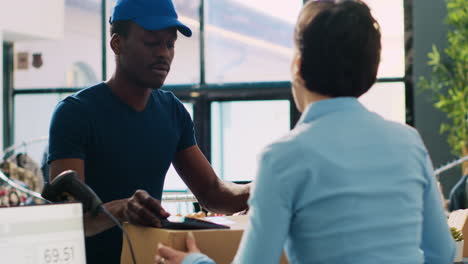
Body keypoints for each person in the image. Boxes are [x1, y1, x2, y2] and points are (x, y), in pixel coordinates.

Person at [155, 0, 456, 263]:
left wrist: (193, 263)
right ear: (371, 71)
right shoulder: (408, 142)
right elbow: (442, 253)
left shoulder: (282, 157)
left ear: (298, 66)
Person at [47, 0, 249, 263]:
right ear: (117, 44)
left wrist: (260, 189)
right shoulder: (75, 113)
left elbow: (212, 193)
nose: (164, 53)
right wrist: (121, 209)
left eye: (170, 44)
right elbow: (65, 223)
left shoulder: (172, 111)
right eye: (152, 43)